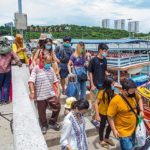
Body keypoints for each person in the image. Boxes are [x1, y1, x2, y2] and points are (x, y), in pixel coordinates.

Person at [107, 79, 144, 150]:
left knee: (134, 146)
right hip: (123, 132)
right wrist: (114, 130)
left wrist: (142, 110)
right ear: (123, 90)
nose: (134, 93)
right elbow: (110, 116)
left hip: (135, 129)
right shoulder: (116, 101)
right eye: (131, 92)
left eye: (134, 91)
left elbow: (140, 99)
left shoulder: (134, 94)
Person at [28, 55, 61, 134]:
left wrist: (58, 89)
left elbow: (55, 80)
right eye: (48, 62)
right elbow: (31, 81)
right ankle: (44, 125)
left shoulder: (51, 69)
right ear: (43, 61)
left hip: (50, 93)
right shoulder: (36, 68)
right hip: (40, 96)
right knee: (41, 112)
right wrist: (32, 92)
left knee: (57, 106)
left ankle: (52, 122)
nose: (49, 64)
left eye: (50, 62)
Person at [88, 43, 109, 127]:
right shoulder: (93, 60)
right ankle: (93, 119)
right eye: (104, 51)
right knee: (94, 102)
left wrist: (109, 77)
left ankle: (100, 117)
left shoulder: (104, 60)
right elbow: (90, 72)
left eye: (106, 51)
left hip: (103, 86)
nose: (106, 52)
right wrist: (92, 85)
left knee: (101, 103)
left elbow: (104, 71)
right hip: (95, 85)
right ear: (100, 50)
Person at [0, 37, 22, 105]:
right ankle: (6, 100)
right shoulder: (10, 50)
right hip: (7, 70)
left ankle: (1, 100)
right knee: (6, 86)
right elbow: (16, 57)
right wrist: (19, 64)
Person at [95, 77, 115, 148]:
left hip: (110, 112)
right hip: (102, 112)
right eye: (112, 83)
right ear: (108, 84)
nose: (114, 84)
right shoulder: (102, 92)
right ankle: (101, 140)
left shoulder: (112, 90)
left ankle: (106, 138)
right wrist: (97, 115)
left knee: (110, 125)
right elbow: (96, 103)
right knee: (102, 126)